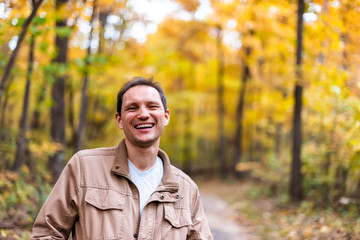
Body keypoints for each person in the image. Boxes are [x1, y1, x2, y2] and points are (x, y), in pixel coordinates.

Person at [31, 76, 213, 240]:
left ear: (165, 116)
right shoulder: (84, 168)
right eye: (132, 108)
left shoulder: (186, 189)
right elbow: (46, 233)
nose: (143, 114)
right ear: (119, 120)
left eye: (152, 106)